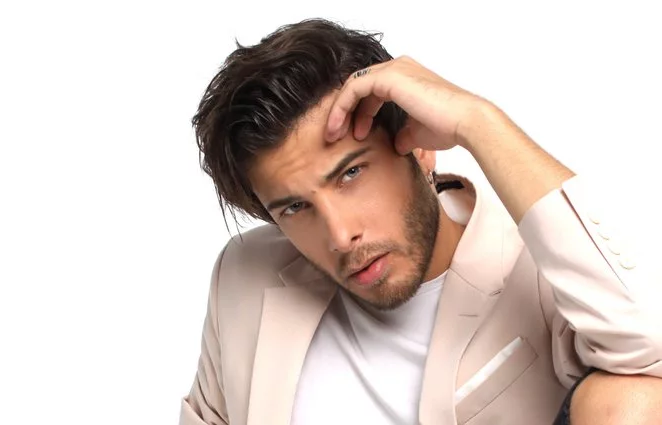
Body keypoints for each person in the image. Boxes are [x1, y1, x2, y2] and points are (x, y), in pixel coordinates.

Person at [180, 18, 662, 425]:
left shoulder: (543, 263)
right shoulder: (246, 273)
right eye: (294, 208)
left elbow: (652, 349)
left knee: (633, 398)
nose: (341, 235)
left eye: (351, 173)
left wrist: (476, 120)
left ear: (419, 147)